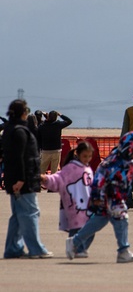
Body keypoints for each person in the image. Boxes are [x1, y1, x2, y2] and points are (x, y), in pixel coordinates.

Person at [69, 132, 133, 262]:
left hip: (115, 196)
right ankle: (123, 251)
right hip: (109, 196)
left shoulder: (130, 160)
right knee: (122, 219)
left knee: (97, 222)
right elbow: (100, 180)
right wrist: (96, 197)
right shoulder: (113, 161)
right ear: (128, 148)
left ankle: (74, 242)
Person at [2, 99, 52, 259]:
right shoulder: (19, 131)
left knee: (18, 215)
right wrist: (22, 179)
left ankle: (12, 248)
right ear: (23, 112)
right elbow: (20, 158)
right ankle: (36, 248)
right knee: (31, 213)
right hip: (23, 181)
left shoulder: (10, 129)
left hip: (14, 179)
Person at [40, 141, 94, 258]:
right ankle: (76, 249)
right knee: (76, 228)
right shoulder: (70, 168)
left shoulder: (87, 169)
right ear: (78, 154)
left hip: (88, 205)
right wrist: (46, 179)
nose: (87, 159)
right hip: (74, 204)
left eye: (89, 156)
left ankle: (80, 248)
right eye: (85, 156)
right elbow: (58, 178)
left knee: (90, 229)